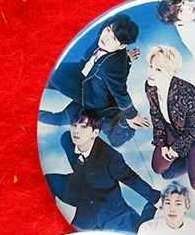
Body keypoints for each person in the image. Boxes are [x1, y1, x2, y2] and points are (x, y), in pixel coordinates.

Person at [40, 14, 150, 147]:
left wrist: (131, 116)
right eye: (108, 30)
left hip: (90, 98)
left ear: (121, 46)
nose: (106, 38)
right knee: (50, 73)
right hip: (81, 74)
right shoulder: (103, 39)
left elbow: (120, 91)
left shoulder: (113, 67)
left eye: (114, 38)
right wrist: (127, 60)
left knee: (58, 118)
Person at [45, 109, 160, 233]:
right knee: (45, 182)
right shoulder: (68, 141)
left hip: (110, 209)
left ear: (95, 133)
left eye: (83, 127)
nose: (76, 131)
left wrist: (156, 199)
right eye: (74, 125)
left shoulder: (111, 158)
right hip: (81, 192)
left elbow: (132, 179)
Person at [145, 45, 195, 190]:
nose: (151, 72)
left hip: (194, 136)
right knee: (160, 169)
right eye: (151, 66)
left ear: (170, 73)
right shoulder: (150, 86)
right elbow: (156, 115)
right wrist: (162, 143)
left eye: (158, 69)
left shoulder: (188, 93)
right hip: (172, 129)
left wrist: (176, 149)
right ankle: (189, 159)